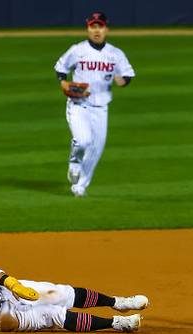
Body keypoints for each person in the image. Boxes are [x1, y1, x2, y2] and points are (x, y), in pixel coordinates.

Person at [0, 241, 148, 334]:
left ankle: (119, 302)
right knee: (52, 315)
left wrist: (10, 282)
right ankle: (117, 324)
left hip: (3, 292)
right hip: (1, 318)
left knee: (61, 293)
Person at [54, 11, 135, 197]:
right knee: (83, 140)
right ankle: (74, 164)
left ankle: (80, 186)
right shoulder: (77, 50)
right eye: (93, 26)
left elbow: (127, 76)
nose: (97, 30)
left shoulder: (115, 54)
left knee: (96, 150)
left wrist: (120, 80)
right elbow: (60, 67)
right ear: (88, 29)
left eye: (100, 26)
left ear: (107, 29)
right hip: (78, 104)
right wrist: (63, 82)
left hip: (101, 108)